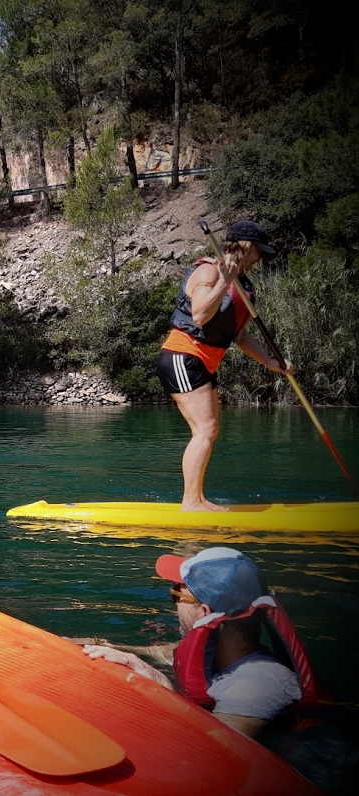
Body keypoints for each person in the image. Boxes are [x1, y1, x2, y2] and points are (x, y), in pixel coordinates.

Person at [81, 547, 320, 740]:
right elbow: (163, 653)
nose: (173, 602)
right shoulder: (220, 652)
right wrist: (96, 644)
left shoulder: (255, 686)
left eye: (177, 593)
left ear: (204, 613)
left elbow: (215, 755)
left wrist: (162, 688)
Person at [156, 220, 294, 511]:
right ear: (246, 248)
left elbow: (240, 336)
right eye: (258, 251)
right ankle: (191, 502)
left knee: (210, 429)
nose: (260, 258)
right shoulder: (208, 271)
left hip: (205, 361)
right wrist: (223, 281)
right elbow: (199, 316)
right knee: (205, 428)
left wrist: (272, 363)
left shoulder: (244, 285)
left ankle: (198, 498)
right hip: (183, 355)